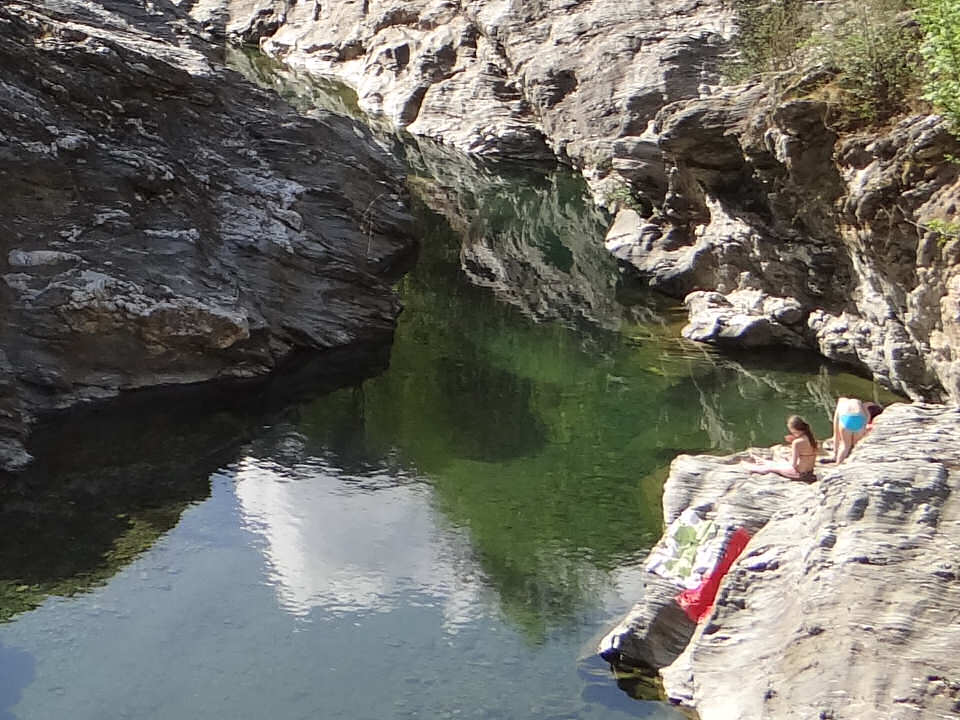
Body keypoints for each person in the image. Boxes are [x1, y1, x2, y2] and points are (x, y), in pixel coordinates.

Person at [741, 415, 818, 482]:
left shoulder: (797, 443)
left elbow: (793, 465)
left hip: (800, 475)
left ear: (794, 429)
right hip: (809, 472)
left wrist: (789, 457)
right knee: (781, 462)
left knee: (773, 467)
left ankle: (750, 466)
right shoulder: (812, 439)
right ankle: (762, 461)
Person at [831, 397, 883, 464]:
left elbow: (836, 434)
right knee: (857, 447)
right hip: (859, 419)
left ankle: (838, 465)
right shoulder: (861, 404)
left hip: (846, 419)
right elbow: (866, 419)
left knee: (845, 446)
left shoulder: (841, 404)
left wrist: (835, 453)